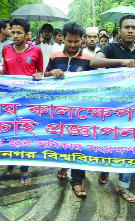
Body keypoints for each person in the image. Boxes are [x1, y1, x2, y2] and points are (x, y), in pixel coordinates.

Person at [90, 14, 135, 203]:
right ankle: (104, 168)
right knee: (109, 143)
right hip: (111, 109)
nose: (130, 31)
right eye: (126, 27)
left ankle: (123, 184)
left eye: (133, 28)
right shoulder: (110, 48)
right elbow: (94, 62)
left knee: (130, 146)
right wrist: (121, 63)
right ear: (119, 31)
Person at [0, 18, 43, 184]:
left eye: (19, 33)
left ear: (27, 34)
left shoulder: (36, 51)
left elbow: (40, 72)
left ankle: (24, 170)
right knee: (11, 134)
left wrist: (39, 75)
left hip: (29, 102)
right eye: (13, 32)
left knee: (26, 135)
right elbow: (6, 72)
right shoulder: (6, 50)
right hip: (10, 101)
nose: (15, 36)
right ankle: (11, 164)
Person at [44, 21, 98, 197]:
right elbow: (44, 75)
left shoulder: (90, 59)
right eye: (69, 41)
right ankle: (62, 165)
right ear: (63, 39)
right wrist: (51, 73)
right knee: (60, 141)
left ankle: (77, 181)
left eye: (76, 41)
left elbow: (101, 82)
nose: (73, 45)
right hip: (59, 110)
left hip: (81, 112)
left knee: (78, 146)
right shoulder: (55, 56)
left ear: (82, 40)